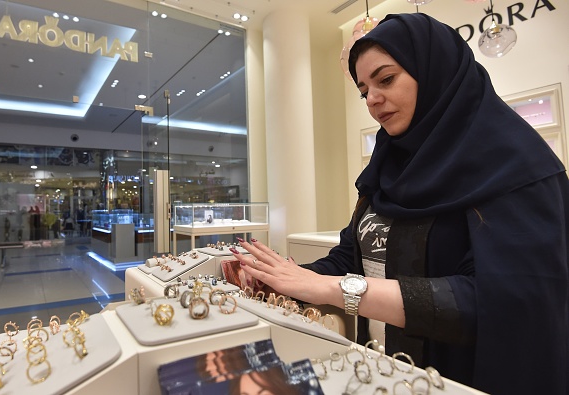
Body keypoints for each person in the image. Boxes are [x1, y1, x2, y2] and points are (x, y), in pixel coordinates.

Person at [230, 13, 569, 395]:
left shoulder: (518, 166)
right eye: (363, 90)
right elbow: (352, 259)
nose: (372, 100)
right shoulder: (388, 167)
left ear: (434, 70)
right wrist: (283, 279)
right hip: (379, 372)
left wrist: (334, 290)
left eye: (386, 79)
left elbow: (501, 300)